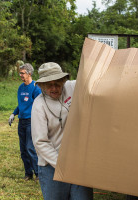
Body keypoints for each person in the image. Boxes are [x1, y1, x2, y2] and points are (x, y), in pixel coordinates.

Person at [31, 62, 93, 200]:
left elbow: (93, 81)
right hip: (52, 167)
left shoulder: (71, 87)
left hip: (78, 162)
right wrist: (61, 164)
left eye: (57, 83)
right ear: (42, 85)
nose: (54, 88)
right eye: (49, 85)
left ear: (63, 80)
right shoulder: (38, 105)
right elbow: (40, 142)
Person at [9, 63, 41, 180]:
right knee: (23, 149)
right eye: (20, 73)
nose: (20, 75)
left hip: (31, 121)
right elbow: (21, 104)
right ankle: (28, 173)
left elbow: (39, 105)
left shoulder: (36, 87)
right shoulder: (21, 88)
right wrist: (14, 113)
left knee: (30, 148)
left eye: (22, 73)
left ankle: (38, 173)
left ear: (29, 73)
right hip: (21, 121)